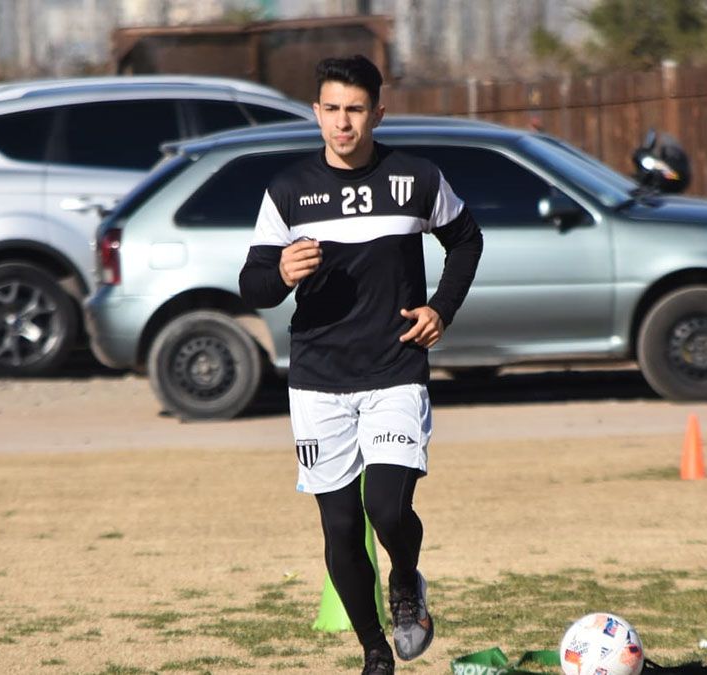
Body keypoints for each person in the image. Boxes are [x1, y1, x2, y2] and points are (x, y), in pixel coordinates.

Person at [238, 55, 483, 673]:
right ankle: (375, 650)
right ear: (315, 112)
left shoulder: (417, 177)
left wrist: (441, 309)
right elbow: (253, 282)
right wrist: (280, 273)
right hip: (319, 381)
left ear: (378, 111)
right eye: (331, 109)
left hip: (395, 368)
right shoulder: (288, 189)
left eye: (354, 109)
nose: (342, 123)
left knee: (389, 509)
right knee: (341, 528)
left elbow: (466, 239)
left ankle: (405, 579)